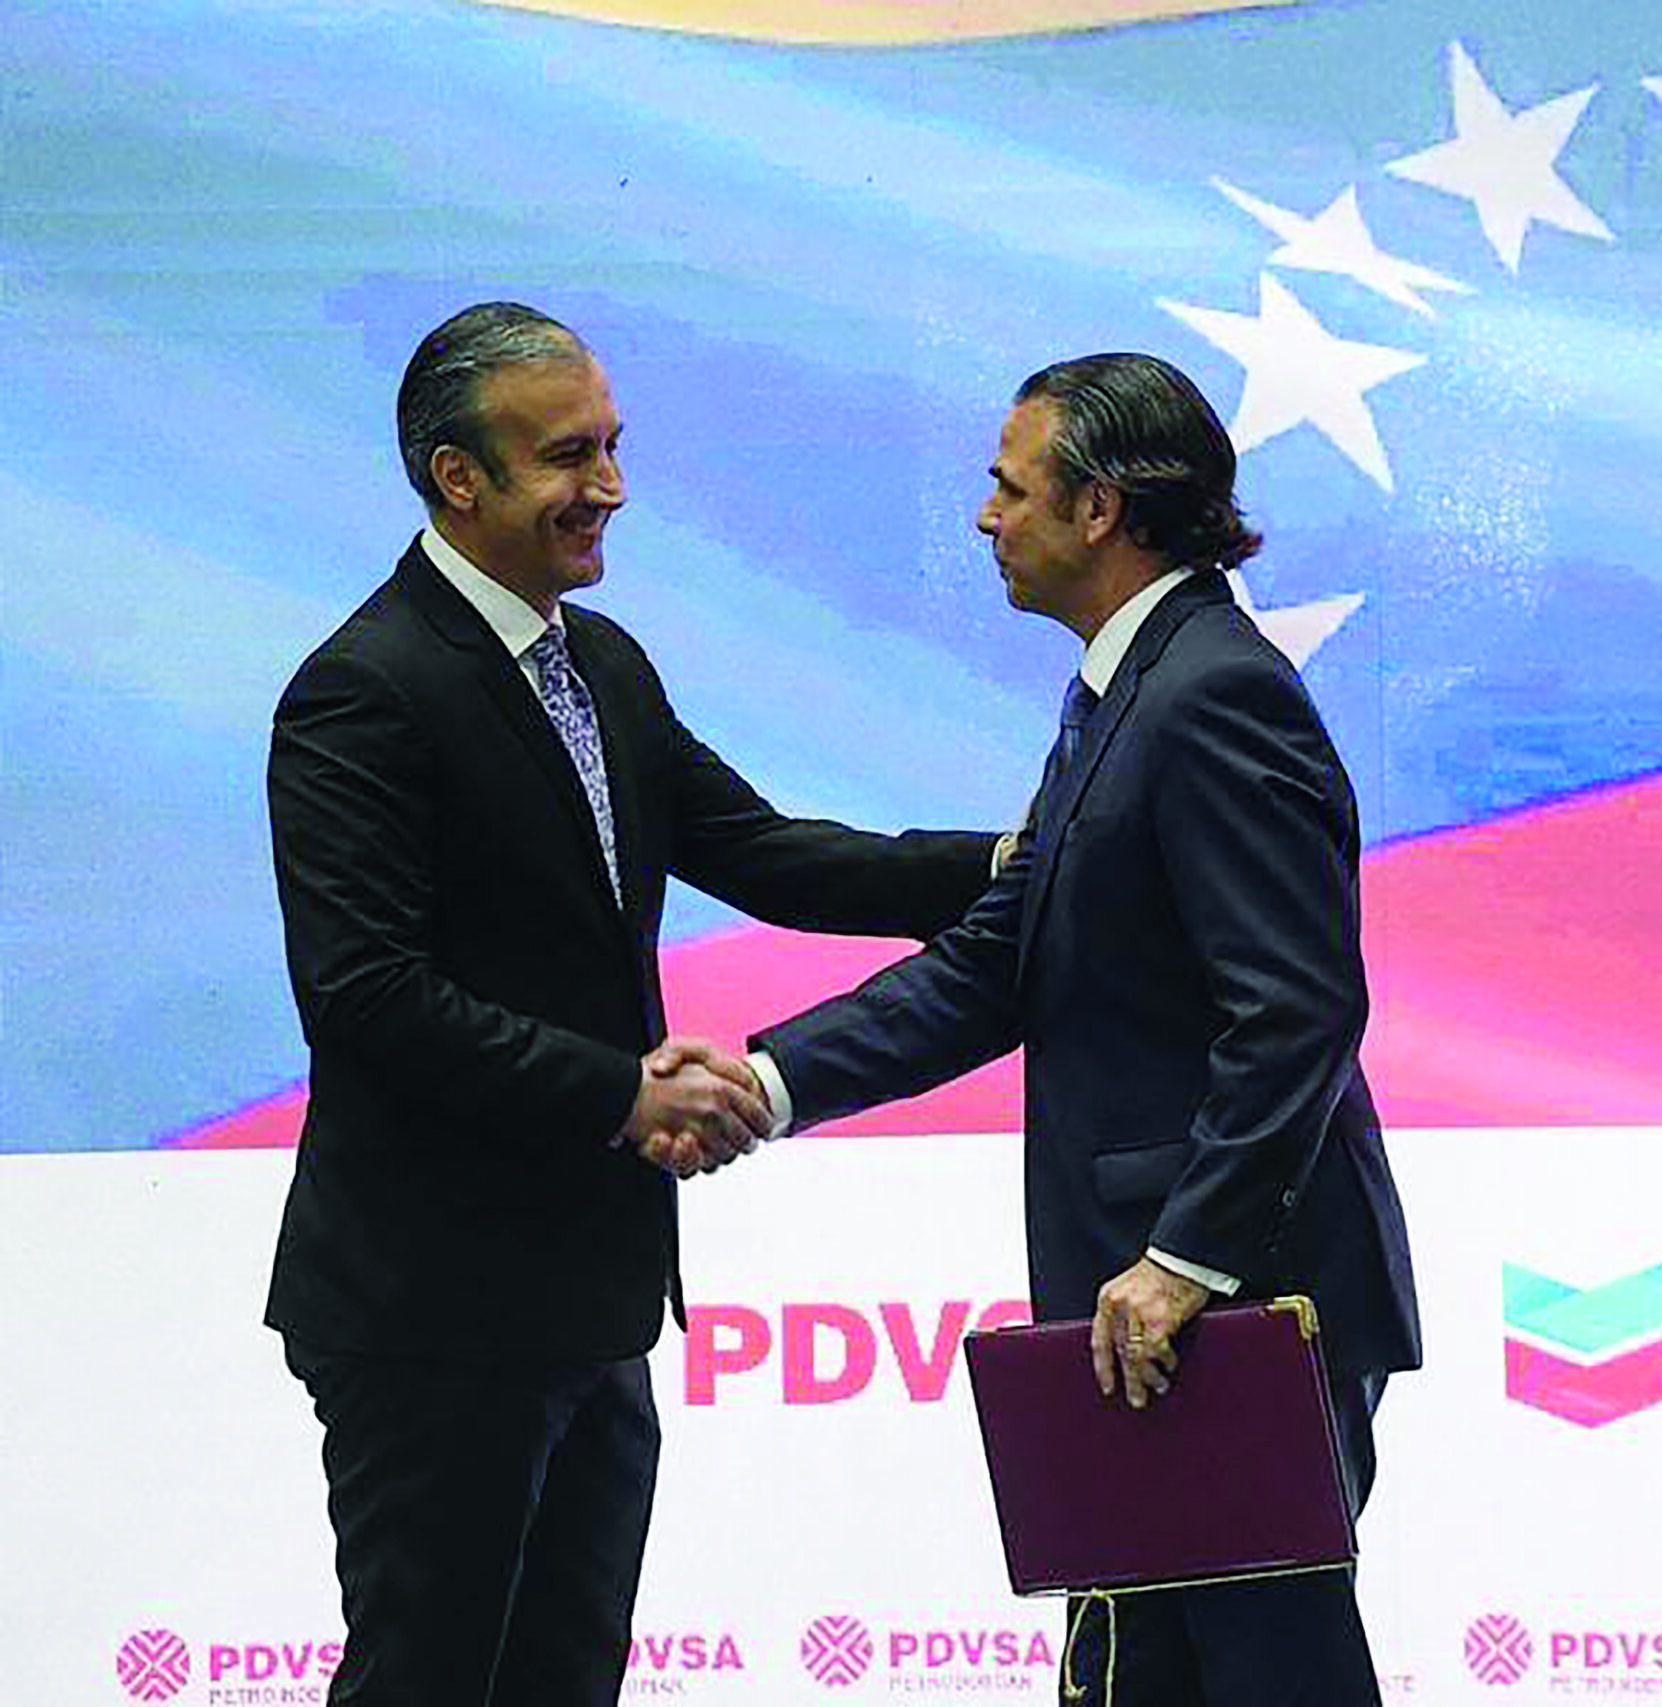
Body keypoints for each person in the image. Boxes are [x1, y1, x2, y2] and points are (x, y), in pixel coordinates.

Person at [264, 300, 998, 1706]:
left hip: (594, 1299)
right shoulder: (363, 691)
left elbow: (771, 855)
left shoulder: (601, 663)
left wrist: (1026, 861)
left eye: (610, 446)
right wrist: (621, 1091)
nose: (608, 486)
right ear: (456, 476)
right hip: (434, 1307)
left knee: (567, 1680)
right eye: (567, 455)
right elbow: (366, 996)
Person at [673, 351, 1421, 1705]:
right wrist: (765, 1082)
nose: (986, 516)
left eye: (1009, 488)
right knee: (1146, 1672)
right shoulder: (1128, 692)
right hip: (1162, 1310)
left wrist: (1185, 1258)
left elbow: (1299, 1007)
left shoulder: (1211, 693)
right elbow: (995, 965)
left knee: (1261, 1672)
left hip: (1234, 1303)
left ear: (1099, 509)